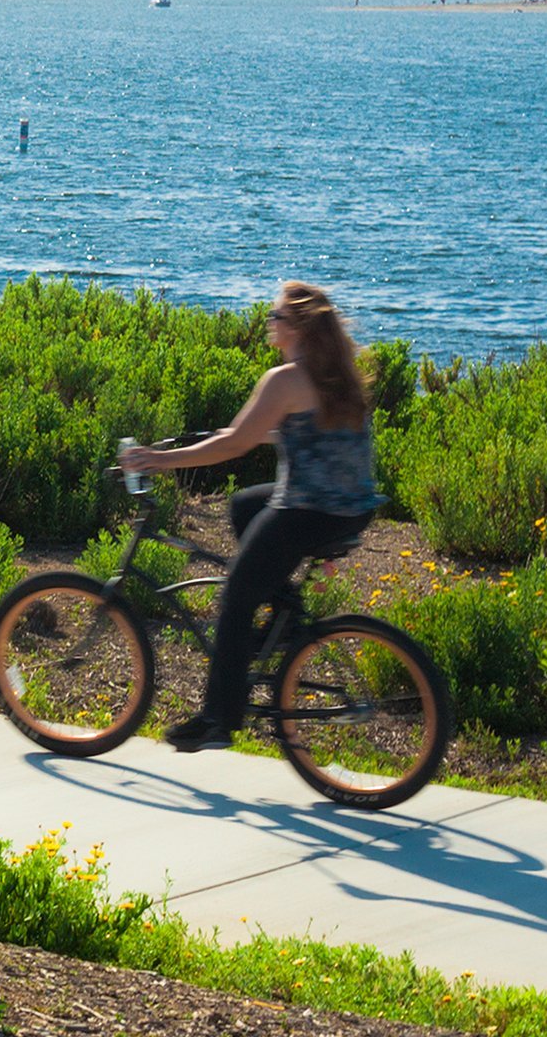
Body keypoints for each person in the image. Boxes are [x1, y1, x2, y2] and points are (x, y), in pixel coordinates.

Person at [118, 280, 380, 752]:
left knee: (236, 596)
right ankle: (283, 612)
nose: (269, 323)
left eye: (276, 317)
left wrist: (159, 460)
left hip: (308, 510)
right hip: (351, 510)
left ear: (296, 327)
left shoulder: (284, 379)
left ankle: (219, 719)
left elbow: (234, 445)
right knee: (243, 506)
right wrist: (245, 432)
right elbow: (296, 434)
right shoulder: (334, 373)